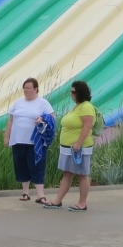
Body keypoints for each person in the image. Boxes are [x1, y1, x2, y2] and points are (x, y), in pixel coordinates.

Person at [44, 81, 96, 212]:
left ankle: (82, 203)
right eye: (71, 92)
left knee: (82, 174)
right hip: (67, 148)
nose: (71, 94)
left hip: (78, 148)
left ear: (80, 93)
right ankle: (57, 201)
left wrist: (78, 143)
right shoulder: (77, 106)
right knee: (67, 174)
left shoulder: (86, 107)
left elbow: (87, 126)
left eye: (73, 92)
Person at [4, 78, 53, 204]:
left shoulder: (43, 102)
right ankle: (25, 192)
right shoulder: (18, 102)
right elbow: (10, 120)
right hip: (18, 140)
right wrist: (7, 137)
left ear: (36, 89)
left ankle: (40, 195)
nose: (26, 90)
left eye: (29, 88)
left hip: (35, 141)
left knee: (37, 165)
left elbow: (52, 118)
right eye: (24, 88)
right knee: (21, 165)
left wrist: (42, 118)